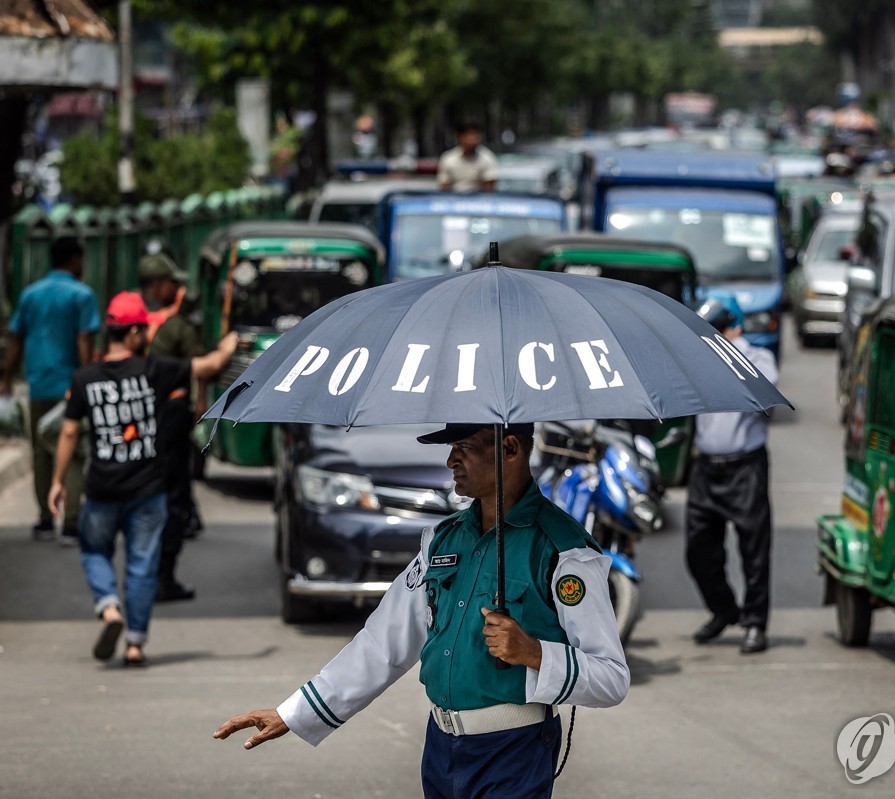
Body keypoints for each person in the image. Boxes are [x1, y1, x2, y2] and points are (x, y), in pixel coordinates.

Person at [214, 423, 629, 797]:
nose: (451, 460)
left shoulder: (565, 550)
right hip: (440, 748)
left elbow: (611, 678)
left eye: (464, 447)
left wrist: (535, 654)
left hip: (513, 752)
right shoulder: (442, 541)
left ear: (509, 448)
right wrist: (293, 713)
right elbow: (383, 644)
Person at [49, 292, 236, 667]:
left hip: (101, 488)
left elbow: (68, 434)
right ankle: (135, 643)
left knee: (94, 550)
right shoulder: (155, 370)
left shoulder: (84, 378)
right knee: (141, 564)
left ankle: (109, 608)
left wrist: (57, 482)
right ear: (134, 333)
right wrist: (229, 344)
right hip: (148, 491)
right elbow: (208, 365)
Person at [686, 294, 778, 655]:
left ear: (734, 327)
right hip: (705, 469)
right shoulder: (698, 360)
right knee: (698, 552)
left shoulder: (757, 357)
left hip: (745, 468)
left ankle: (755, 624)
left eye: (718, 328)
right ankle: (724, 610)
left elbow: (765, 392)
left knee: (754, 552)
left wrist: (730, 346)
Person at [1, 237, 99, 543]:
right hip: (70, 386)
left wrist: (5, 376)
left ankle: (44, 520)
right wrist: (85, 380)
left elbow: (16, 339)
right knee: (73, 452)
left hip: (38, 385)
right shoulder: (82, 295)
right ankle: (70, 523)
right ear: (74, 260)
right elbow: (84, 340)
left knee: (41, 454)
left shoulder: (31, 295)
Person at [138, 251, 204, 602]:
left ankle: (144, 574)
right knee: (174, 498)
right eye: (171, 282)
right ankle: (163, 577)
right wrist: (201, 404)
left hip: (135, 416)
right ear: (160, 285)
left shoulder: (129, 321)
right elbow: (201, 367)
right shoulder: (176, 325)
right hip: (171, 415)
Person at [437, 120, 498, 193]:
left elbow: (489, 189)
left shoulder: (487, 158)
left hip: (479, 201)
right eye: (470, 136)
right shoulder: (448, 159)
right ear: (460, 138)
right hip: (453, 201)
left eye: (476, 136)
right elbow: (444, 187)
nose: (473, 140)